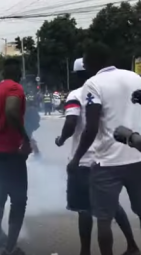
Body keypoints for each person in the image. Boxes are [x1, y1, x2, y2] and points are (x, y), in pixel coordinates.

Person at [56, 57, 139, 255]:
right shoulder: (111, 87)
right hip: (113, 158)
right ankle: (132, 245)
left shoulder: (77, 93)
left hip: (86, 161)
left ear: (77, 75)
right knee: (112, 208)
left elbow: (72, 122)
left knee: (85, 209)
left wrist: (62, 140)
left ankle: (85, 251)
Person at [0, 58, 32, 255]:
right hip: (10, 151)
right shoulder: (15, 89)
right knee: (19, 199)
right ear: (18, 76)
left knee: (0, 192)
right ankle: (11, 249)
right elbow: (11, 111)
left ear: (2, 75)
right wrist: (25, 138)